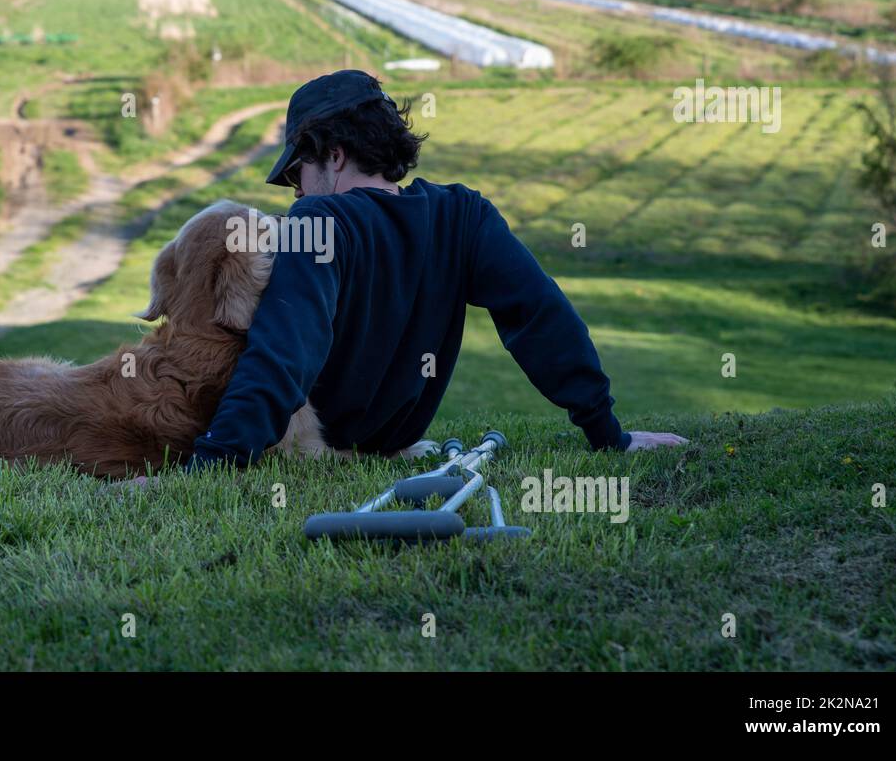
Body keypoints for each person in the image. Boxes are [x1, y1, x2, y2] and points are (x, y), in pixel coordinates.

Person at [127, 69, 687, 487]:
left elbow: (282, 357)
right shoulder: (465, 215)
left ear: (335, 155)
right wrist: (608, 434)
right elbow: (541, 316)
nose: (296, 192)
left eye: (299, 174)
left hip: (316, 449)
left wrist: (206, 470)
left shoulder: (319, 222)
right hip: (393, 443)